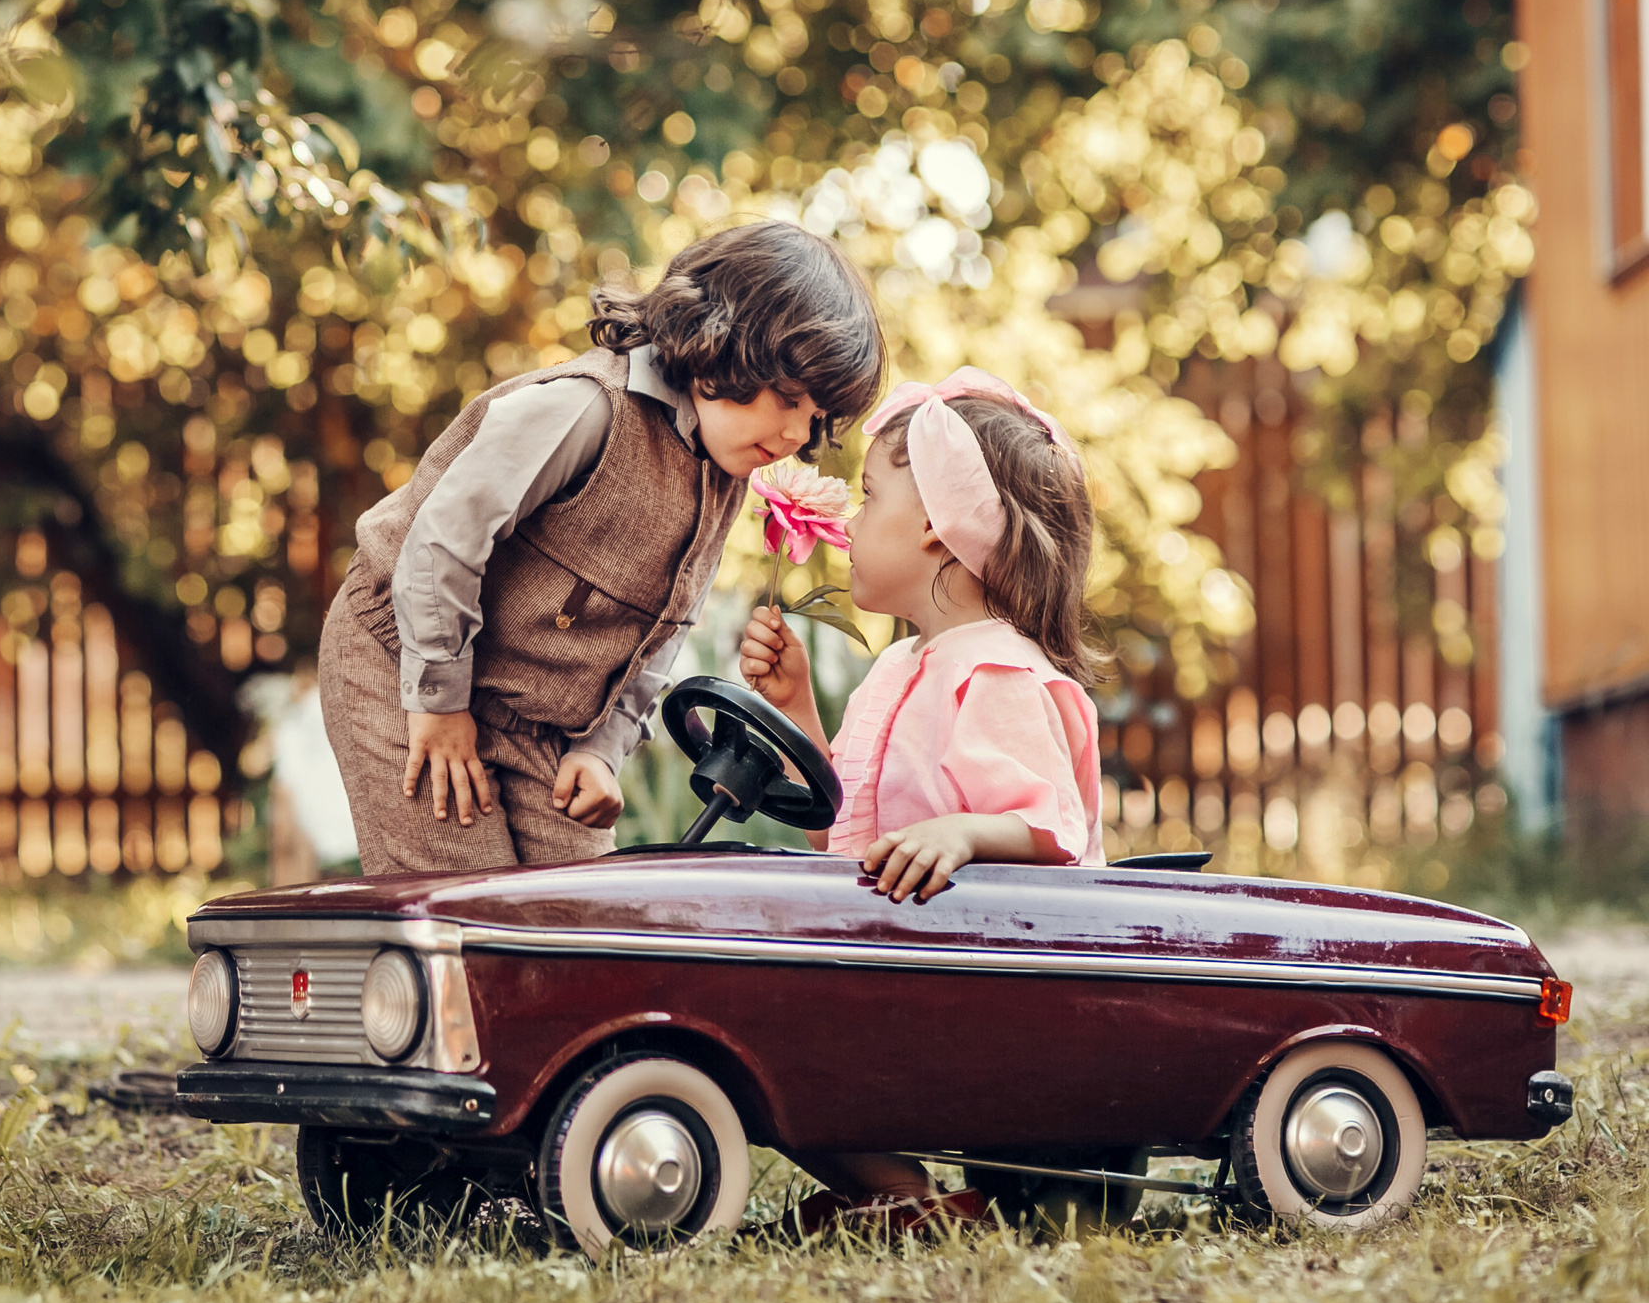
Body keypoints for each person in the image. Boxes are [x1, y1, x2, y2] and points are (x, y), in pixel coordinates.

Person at [317, 223, 884, 875]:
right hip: (406, 658)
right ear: (720, 343)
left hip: (540, 719)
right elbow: (443, 542)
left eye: (814, 417)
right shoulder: (585, 409)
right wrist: (439, 702)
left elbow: (666, 625)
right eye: (787, 398)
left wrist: (601, 746)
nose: (794, 432)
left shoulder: (725, 474)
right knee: (465, 908)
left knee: (580, 911)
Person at [736, 365, 1107, 1236]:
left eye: (868, 499)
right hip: (894, 965)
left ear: (940, 529)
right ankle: (908, 1200)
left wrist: (965, 832)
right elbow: (846, 830)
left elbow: (1054, 829)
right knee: (754, 1030)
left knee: (771, 1035)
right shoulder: (898, 667)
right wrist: (796, 708)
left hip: (980, 991)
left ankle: (903, 1195)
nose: (850, 522)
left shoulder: (997, 671)